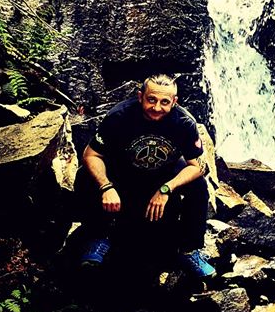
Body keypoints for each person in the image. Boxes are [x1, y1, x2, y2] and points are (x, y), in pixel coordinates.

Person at [76, 74, 215, 278]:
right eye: (151, 99)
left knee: (199, 186)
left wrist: (166, 189)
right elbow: (91, 155)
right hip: (122, 174)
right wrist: (106, 186)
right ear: (140, 96)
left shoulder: (184, 122)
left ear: (174, 102)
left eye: (164, 102)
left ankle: (189, 249)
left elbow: (197, 166)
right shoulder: (119, 117)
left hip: (163, 176)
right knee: (85, 175)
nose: (157, 107)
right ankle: (97, 237)